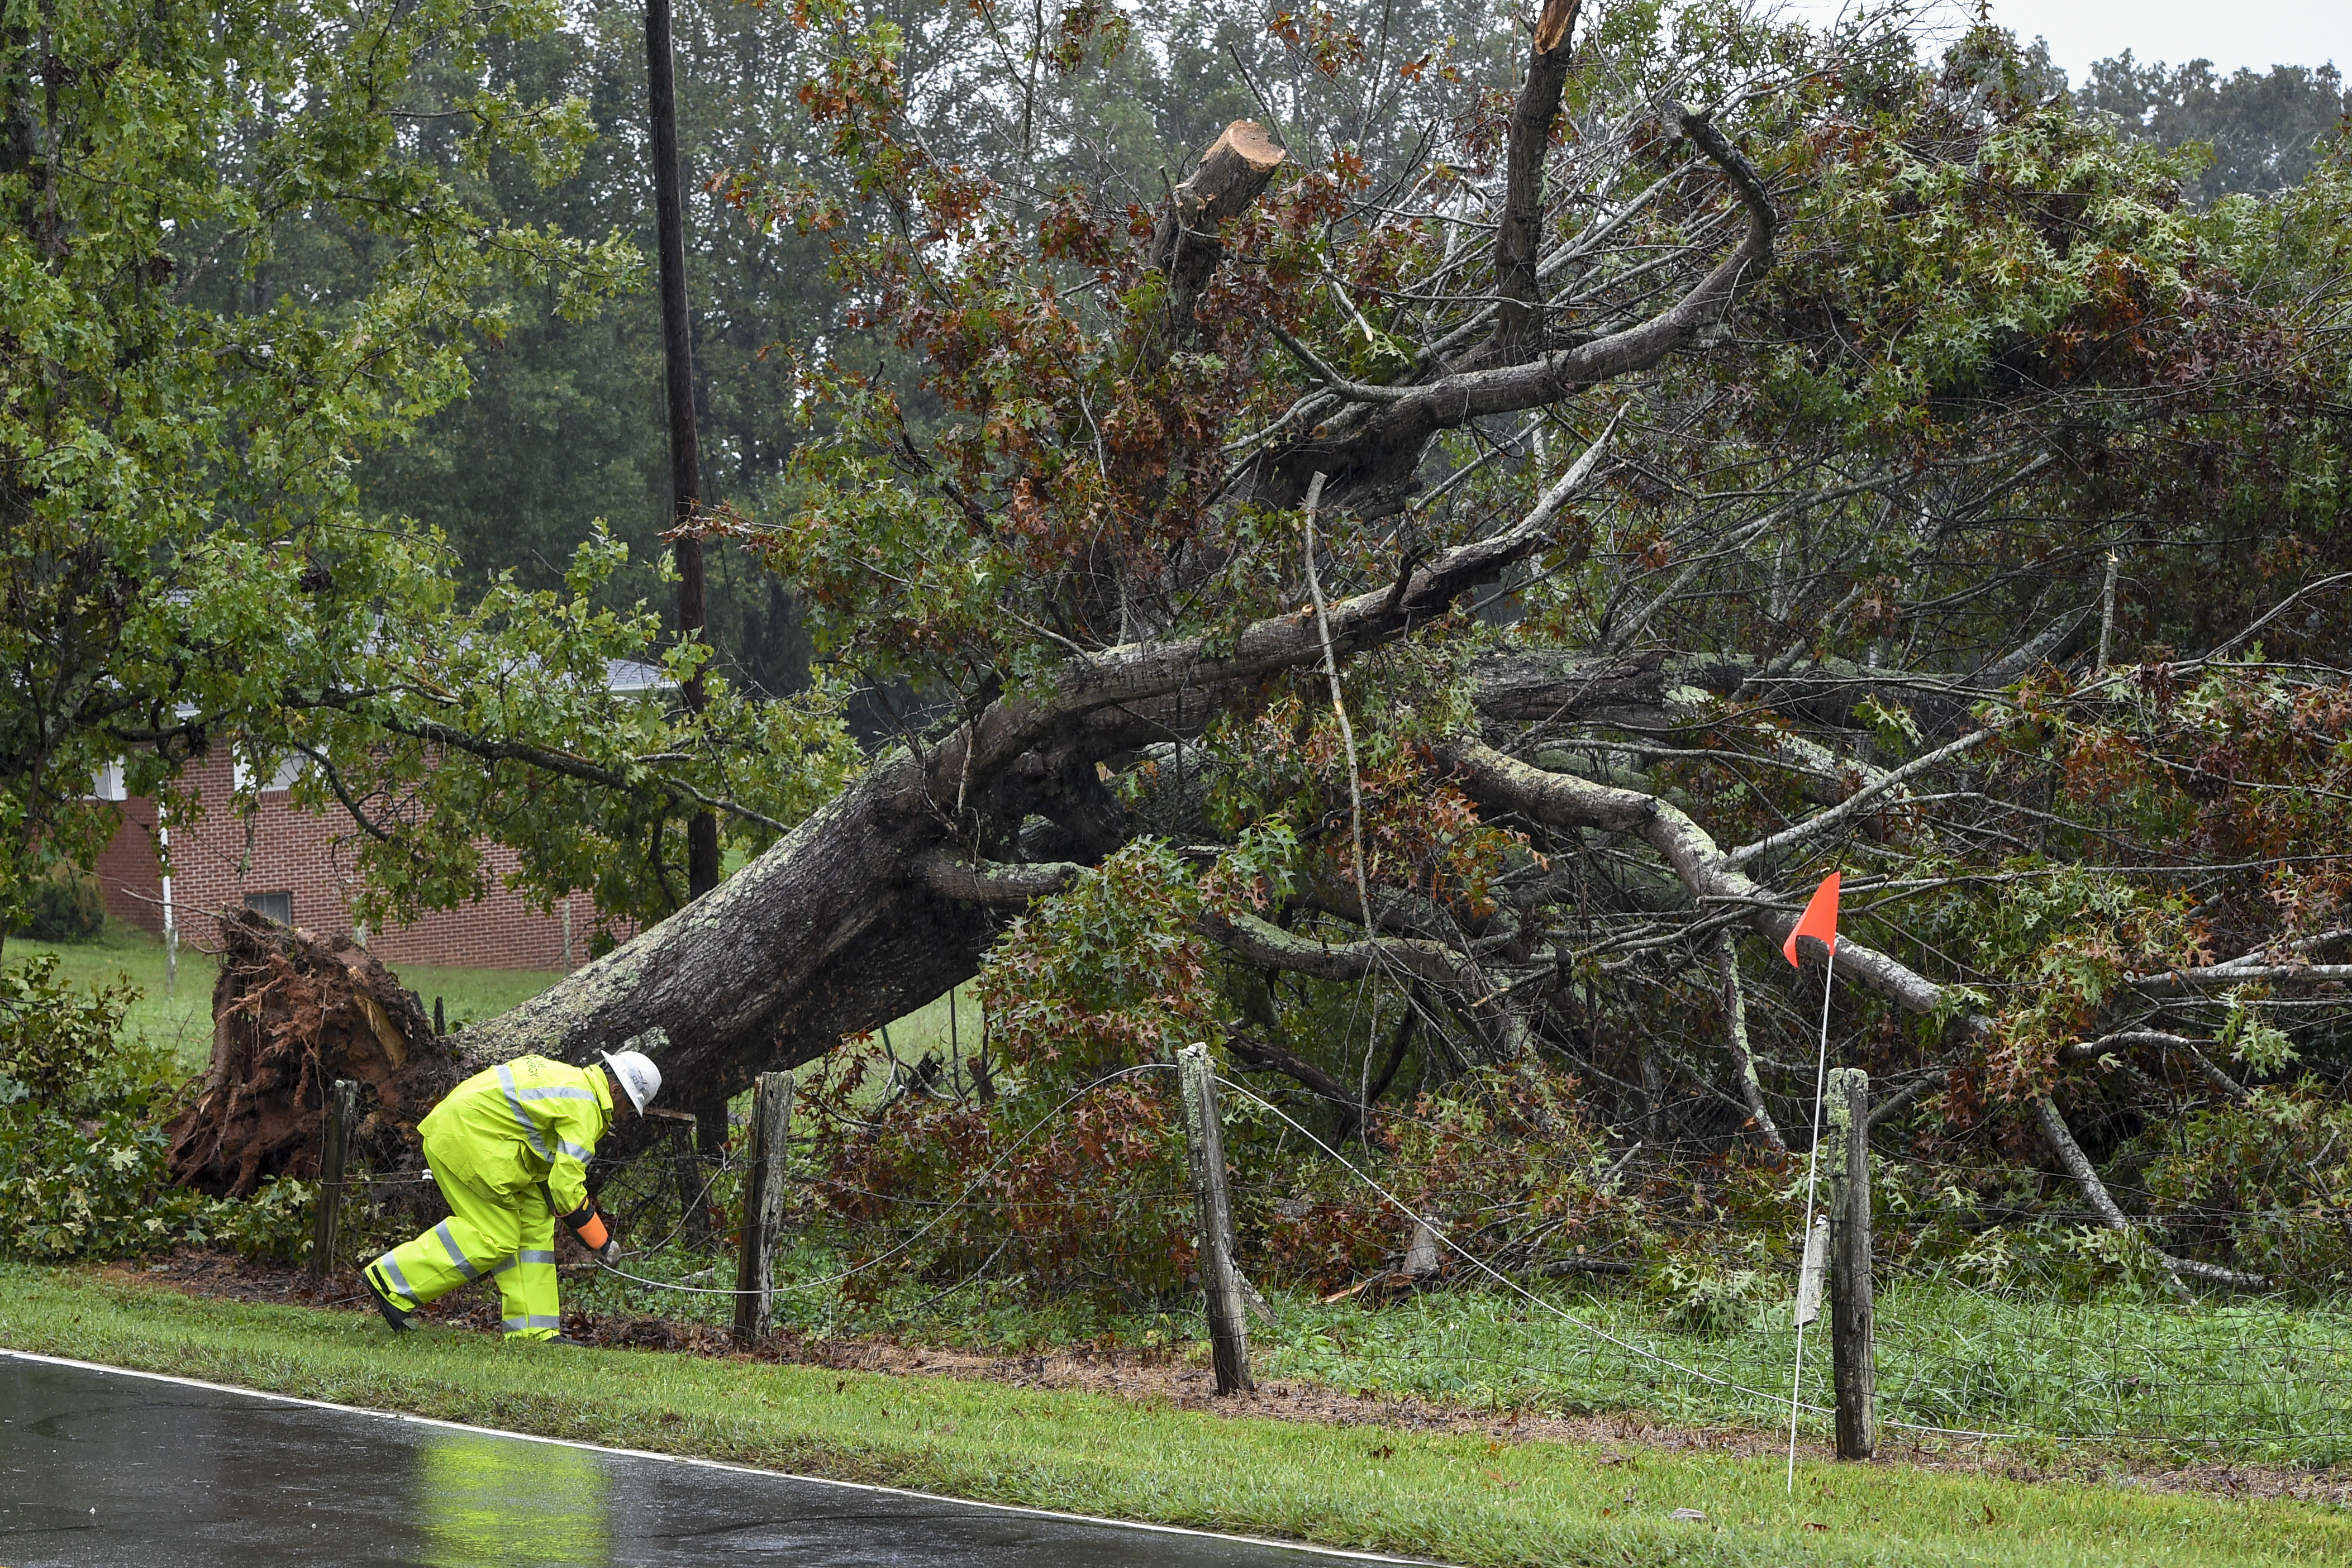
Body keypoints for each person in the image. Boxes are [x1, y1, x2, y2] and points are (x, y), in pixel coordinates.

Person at [364, 1049, 662, 1343]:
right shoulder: (585, 1111)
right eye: (628, 1108)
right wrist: (601, 1242)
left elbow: (546, 1163)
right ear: (615, 1091)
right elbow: (566, 1188)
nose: (623, 1117)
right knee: (495, 1237)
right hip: (470, 1144)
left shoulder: (571, 1081)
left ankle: (533, 1331)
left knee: (535, 1223)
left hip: (472, 1134)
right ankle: (392, 1282)